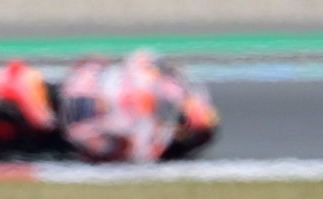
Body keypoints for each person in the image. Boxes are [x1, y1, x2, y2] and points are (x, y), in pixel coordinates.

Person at [57, 50, 209, 164]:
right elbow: (142, 56)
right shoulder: (157, 79)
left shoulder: (149, 140)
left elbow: (137, 155)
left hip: (86, 129)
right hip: (90, 91)